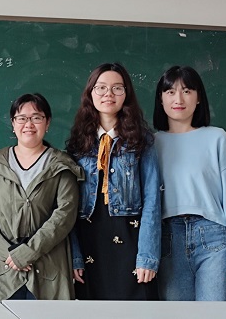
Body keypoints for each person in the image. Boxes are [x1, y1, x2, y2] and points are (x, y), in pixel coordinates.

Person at [67, 62, 160, 300]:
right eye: (101, 88)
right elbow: (68, 206)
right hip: (90, 240)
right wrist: (74, 256)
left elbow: (152, 200)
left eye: (117, 88)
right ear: (90, 93)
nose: (109, 94)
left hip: (132, 239)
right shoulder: (78, 144)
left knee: (136, 310)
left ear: (126, 94)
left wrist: (147, 255)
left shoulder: (142, 141)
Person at [153, 65, 226, 301]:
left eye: (187, 91)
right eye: (170, 92)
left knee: (217, 314)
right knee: (176, 315)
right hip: (167, 240)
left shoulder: (217, 138)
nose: (178, 99)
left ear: (198, 98)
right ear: (161, 99)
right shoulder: (150, 144)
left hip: (214, 238)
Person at [0, 93, 83, 300]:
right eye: (22, 118)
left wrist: (29, 252)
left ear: (47, 123)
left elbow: (65, 214)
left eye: (36, 117)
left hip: (49, 267)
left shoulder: (62, 165)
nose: (29, 124)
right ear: (13, 123)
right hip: (3, 269)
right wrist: (8, 254)